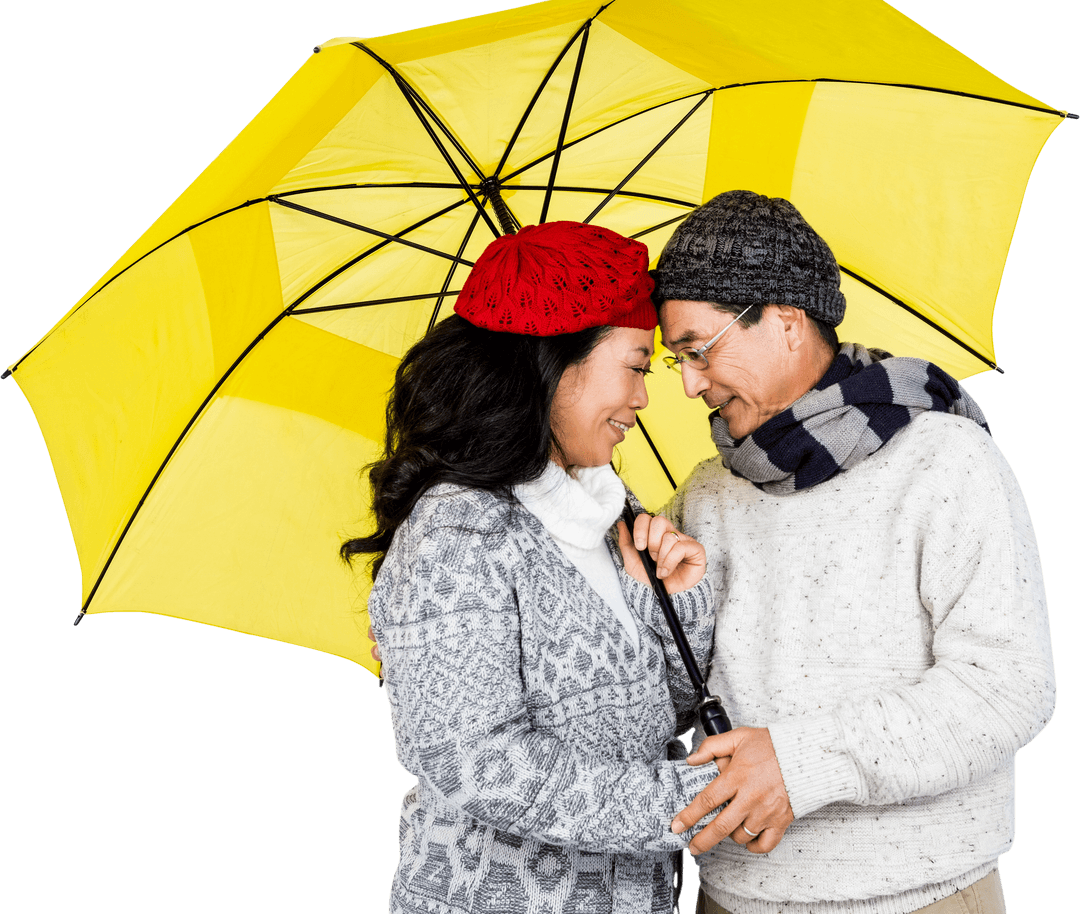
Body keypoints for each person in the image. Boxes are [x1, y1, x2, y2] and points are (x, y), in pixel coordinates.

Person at [637, 191, 1055, 914]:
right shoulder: (704, 496)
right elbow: (664, 707)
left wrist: (800, 764)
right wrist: (655, 612)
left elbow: (1008, 687)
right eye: (675, 359)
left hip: (919, 897)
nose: (688, 385)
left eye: (699, 350)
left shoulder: (945, 462)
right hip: (733, 898)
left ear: (787, 322)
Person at [349, 221, 724, 914]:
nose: (644, 399)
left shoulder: (611, 512)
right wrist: (698, 802)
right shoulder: (456, 532)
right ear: (557, 363)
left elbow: (651, 720)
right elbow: (479, 766)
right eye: (637, 366)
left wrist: (672, 603)